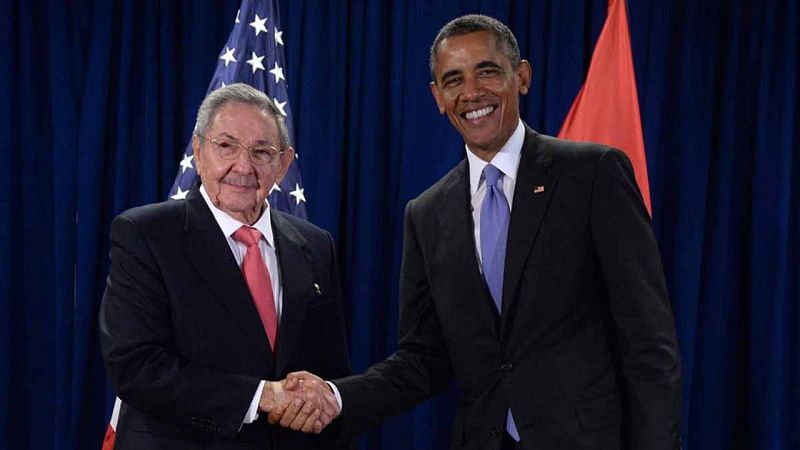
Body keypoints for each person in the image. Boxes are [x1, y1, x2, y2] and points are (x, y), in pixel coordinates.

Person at [273, 14, 682, 450]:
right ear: (437, 96)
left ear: (521, 77)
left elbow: (648, 340)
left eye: (487, 71)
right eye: (453, 80)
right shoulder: (427, 214)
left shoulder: (592, 174)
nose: (472, 92)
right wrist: (337, 399)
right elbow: (423, 359)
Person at [99, 83, 348, 450]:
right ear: (198, 152)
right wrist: (260, 396)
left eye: (262, 151)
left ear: (284, 164)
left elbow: (332, 370)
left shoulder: (314, 244)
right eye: (226, 146)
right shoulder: (146, 234)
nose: (243, 167)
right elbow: (136, 367)